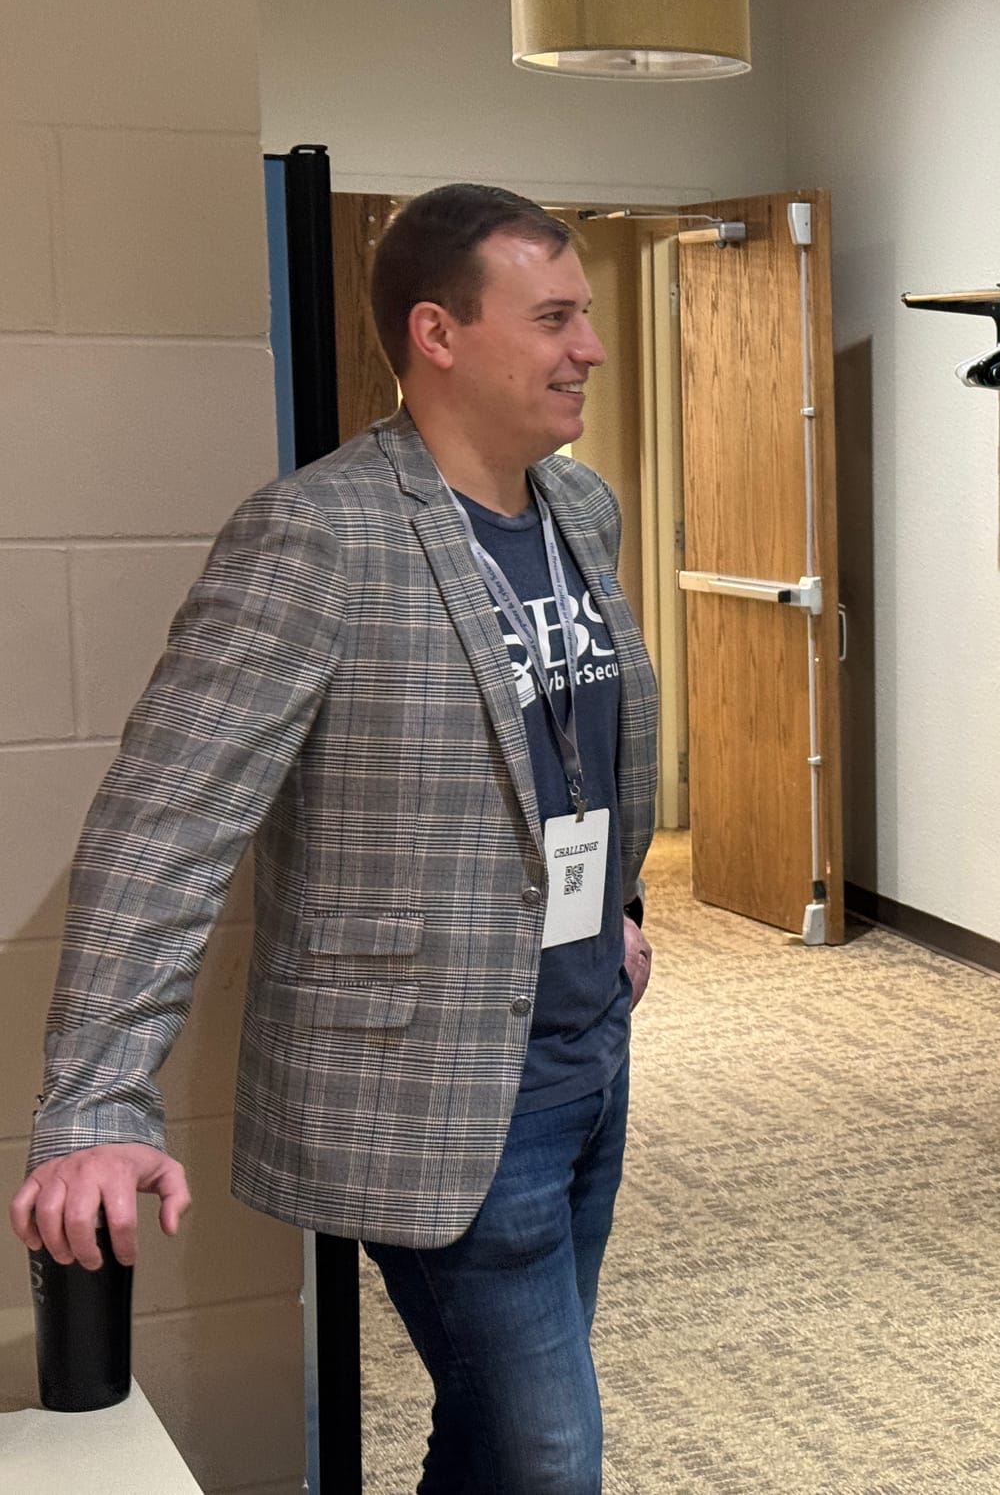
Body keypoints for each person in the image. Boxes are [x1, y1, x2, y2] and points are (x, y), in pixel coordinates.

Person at [11, 183, 660, 1494]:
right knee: (550, 1453)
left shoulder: (580, 513)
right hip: (435, 1087)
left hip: (590, 1049)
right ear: (438, 333)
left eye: (584, 314)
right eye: (553, 318)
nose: (589, 345)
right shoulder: (319, 536)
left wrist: (621, 909)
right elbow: (163, 826)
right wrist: (94, 1099)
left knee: (493, 1423)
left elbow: (574, 752)